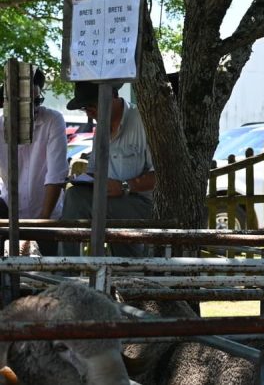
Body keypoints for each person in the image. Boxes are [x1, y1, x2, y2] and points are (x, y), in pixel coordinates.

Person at [55, 82, 155, 257]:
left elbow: (161, 176)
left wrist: (124, 186)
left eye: (92, 106)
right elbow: (94, 170)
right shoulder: (101, 126)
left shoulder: (143, 121)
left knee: (76, 198)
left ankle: (67, 266)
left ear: (113, 96)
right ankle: (70, 263)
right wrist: (83, 179)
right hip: (108, 201)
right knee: (75, 193)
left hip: (141, 203)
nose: (89, 113)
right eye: (85, 108)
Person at [0, 68, 69, 255]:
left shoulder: (53, 120)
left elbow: (56, 174)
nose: (32, 109)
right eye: (23, 103)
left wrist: (42, 225)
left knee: (47, 266)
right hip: (8, 210)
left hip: (47, 213)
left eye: (36, 101)